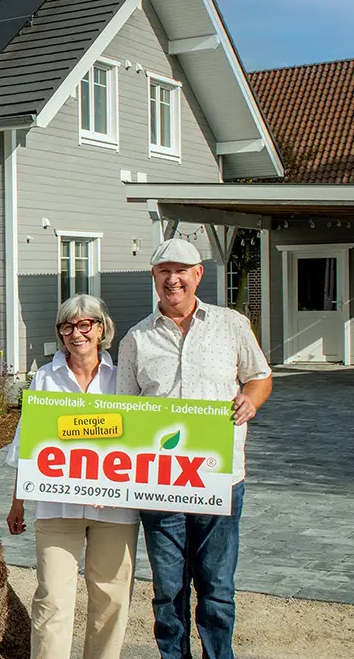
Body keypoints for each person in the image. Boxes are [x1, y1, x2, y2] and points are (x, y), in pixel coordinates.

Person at [117, 237, 272, 659]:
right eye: (164, 270)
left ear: (198, 274)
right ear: (154, 277)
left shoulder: (231, 324)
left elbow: (260, 376)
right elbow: (123, 413)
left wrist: (251, 399)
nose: (173, 279)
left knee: (217, 587)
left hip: (220, 476)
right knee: (168, 590)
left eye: (182, 270)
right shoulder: (135, 340)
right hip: (159, 483)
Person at [4, 294, 138, 659]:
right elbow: (29, 443)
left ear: (101, 328)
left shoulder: (122, 376)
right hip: (56, 507)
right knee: (52, 601)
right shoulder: (46, 378)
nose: (76, 334)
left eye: (84, 325)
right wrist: (18, 502)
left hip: (114, 509)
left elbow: (139, 437)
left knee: (111, 598)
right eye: (67, 326)